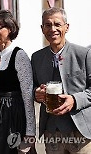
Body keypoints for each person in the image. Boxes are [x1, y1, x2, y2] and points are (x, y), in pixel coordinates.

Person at [31, 7, 91, 153]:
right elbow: (33, 87)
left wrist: (74, 100)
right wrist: (36, 93)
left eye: (57, 24)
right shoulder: (36, 57)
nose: (52, 29)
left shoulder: (84, 54)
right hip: (52, 133)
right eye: (48, 25)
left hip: (81, 132)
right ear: (42, 29)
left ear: (67, 27)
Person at [0, 10, 36, 154]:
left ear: (10, 29)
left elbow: (27, 94)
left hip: (12, 115)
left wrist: (30, 132)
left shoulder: (19, 55)